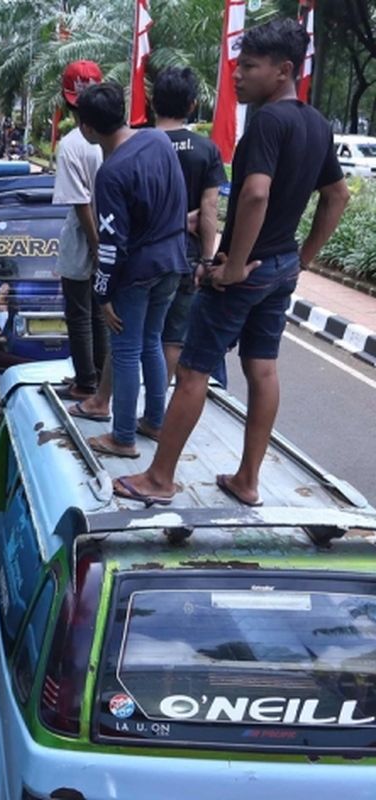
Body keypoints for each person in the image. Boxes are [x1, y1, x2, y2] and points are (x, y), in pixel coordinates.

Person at [117, 19, 350, 506]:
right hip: (282, 265)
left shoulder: (268, 121)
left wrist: (235, 264)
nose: (238, 75)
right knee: (262, 369)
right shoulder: (315, 122)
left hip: (249, 269)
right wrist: (301, 258)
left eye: (249, 66)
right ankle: (248, 480)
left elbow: (256, 194)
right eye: (237, 64)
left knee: (194, 370)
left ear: (284, 71)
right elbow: (337, 196)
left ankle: (159, 479)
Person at [76, 83, 186, 459]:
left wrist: (103, 293)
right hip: (173, 262)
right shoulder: (158, 141)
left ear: (87, 128)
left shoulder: (111, 173)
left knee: (124, 349)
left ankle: (122, 437)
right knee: (152, 340)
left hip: (137, 272)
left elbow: (111, 244)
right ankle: (155, 421)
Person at [151, 67, 228, 384]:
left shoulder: (137, 143)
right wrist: (207, 260)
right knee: (173, 337)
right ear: (192, 105)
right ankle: (156, 406)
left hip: (145, 254)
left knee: (137, 334)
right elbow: (210, 208)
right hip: (187, 253)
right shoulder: (206, 149)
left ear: (152, 102)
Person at [52, 61, 109, 402]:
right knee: (101, 312)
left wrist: (95, 244)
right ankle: (99, 378)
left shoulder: (72, 144)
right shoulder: (115, 135)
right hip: (113, 236)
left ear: (66, 97)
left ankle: (86, 382)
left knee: (79, 315)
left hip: (84, 239)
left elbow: (81, 202)